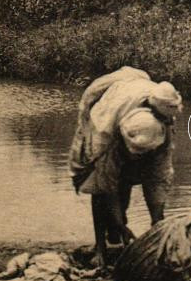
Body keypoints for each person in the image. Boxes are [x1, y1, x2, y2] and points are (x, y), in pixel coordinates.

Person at [69, 68, 183, 268]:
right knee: (98, 186)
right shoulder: (106, 137)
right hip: (103, 116)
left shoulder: (162, 130)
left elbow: (159, 179)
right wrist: (120, 224)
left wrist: (157, 224)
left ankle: (118, 228)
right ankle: (100, 247)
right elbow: (106, 184)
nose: (136, 158)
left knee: (128, 180)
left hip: (136, 115)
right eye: (134, 153)